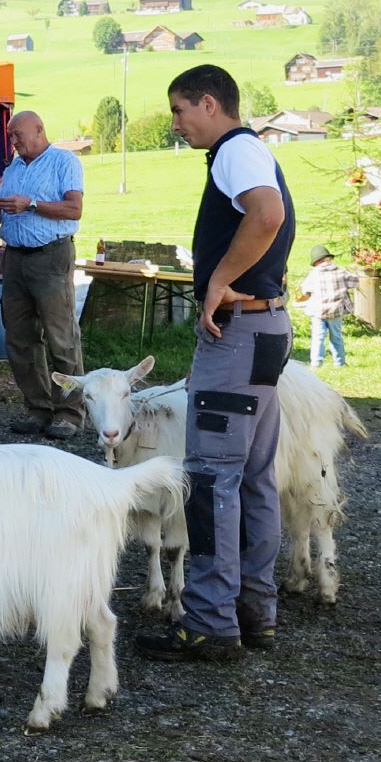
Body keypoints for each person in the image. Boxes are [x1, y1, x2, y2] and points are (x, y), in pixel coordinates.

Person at [138, 66, 295, 662]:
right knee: (253, 476)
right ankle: (255, 612)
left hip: (237, 333)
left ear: (209, 103)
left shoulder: (234, 151)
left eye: (179, 111)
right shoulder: (252, 152)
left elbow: (267, 215)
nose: (176, 125)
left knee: (210, 481)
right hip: (265, 327)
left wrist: (219, 281)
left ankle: (208, 622)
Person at [0, 112, 86, 439]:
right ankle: (38, 408)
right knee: (19, 338)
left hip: (50, 255)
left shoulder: (63, 161)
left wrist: (31, 205)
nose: (13, 141)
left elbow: (75, 209)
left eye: (18, 134)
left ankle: (69, 413)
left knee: (60, 337)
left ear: (39, 130)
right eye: (10, 135)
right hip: (15, 257)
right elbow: (3, 218)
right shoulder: (13, 169)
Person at [296, 246, 360, 368]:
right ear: (329, 259)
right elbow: (355, 282)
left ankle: (316, 363)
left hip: (318, 311)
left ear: (316, 262)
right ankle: (339, 363)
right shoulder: (340, 271)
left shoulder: (314, 274)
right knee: (336, 336)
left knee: (318, 337)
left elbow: (305, 290)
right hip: (336, 310)